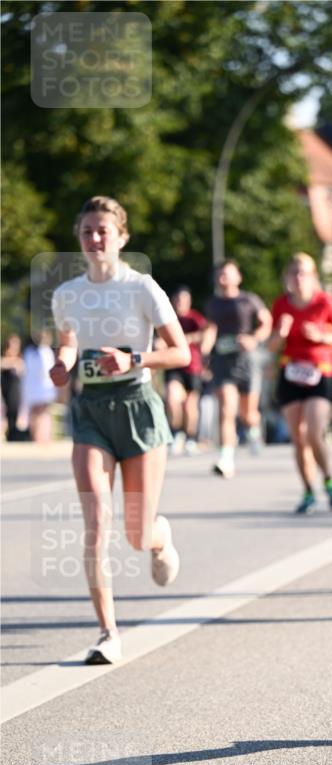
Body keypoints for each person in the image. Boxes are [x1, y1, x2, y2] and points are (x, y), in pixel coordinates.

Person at [50, 195, 190, 665]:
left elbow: (181, 354)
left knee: (135, 532)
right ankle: (108, 631)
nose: (94, 239)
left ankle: (158, 536)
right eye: (87, 231)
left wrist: (134, 359)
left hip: (137, 406)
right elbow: (68, 341)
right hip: (90, 410)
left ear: (121, 237)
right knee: (96, 524)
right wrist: (62, 364)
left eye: (103, 231)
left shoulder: (142, 288)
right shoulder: (66, 294)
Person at [268, 252, 332, 513]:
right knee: (298, 437)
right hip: (290, 373)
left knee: (314, 432)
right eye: (294, 272)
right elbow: (271, 346)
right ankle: (307, 491)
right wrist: (280, 334)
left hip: (319, 372)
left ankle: (328, 480)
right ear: (287, 278)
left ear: (314, 277)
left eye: (304, 272)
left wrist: (321, 335)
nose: (299, 277)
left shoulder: (325, 301)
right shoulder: (281, 305)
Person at [204, 259, 272, 477]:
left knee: (248, 413)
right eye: (219, 274)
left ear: (238, 277)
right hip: (222, 361)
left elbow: (266, 321)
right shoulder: (213, 304)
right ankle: (226, 458)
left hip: (246, 361)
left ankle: (253, 429)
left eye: (227, 273)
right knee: (226, 409)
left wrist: (254, 339)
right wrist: (205, 352)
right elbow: (210, 329)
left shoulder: (248, 300)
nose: (223, 278)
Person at [165, 286, 210, 455]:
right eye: (177, 300)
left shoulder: (195, 318)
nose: (180, 304)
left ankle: (191, 437)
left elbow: (208, 332)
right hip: (173, 366)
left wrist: (189, 339)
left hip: (192, 367)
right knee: (171, 397)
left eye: (183, 300)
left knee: (190, 406)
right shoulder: (168, 319)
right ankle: (176, 433)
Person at [22, 330, 58, 442]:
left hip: (33, 389)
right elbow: (47, 372)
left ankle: (37, 437)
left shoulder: (29, 352)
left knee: (36, 414)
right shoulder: (45, 352)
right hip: (43, 389)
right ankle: (41, 437)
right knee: (43, 414)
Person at [1, 334, 25, 441]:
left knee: (13, 411)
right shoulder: (5, 359)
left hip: (15, 391)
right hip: (5, 391)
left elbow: (21, 367)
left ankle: (12, 433)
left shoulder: (20, 359)